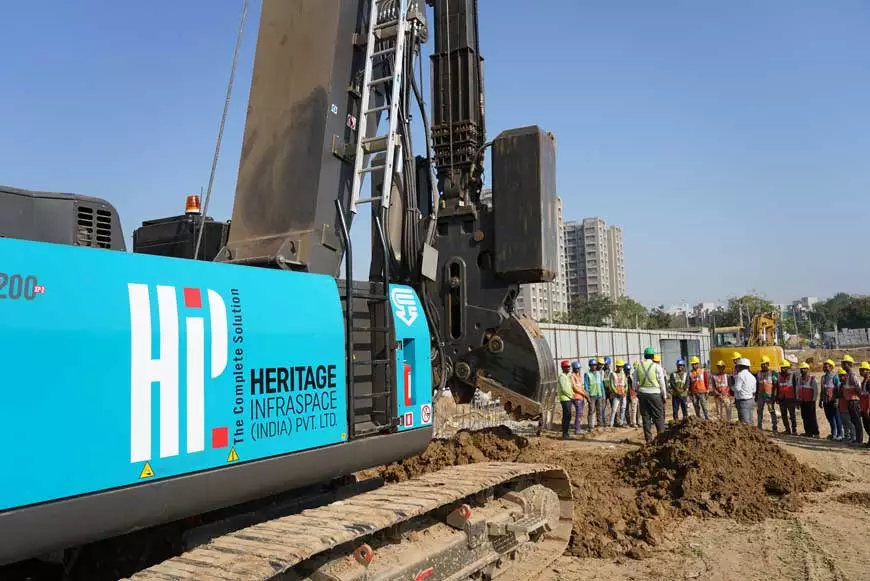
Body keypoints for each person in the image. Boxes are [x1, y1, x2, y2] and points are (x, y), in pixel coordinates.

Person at [632, 346, 668, 443]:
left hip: (642, 394)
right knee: (658, 416)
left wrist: (636, 389)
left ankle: (649, 440)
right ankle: (661, 439)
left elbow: (634, 381)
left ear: (644, 356)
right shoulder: (657, 367)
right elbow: (662, 383)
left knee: (646, 417)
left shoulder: (639, 366)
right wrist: (664, 395)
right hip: (655, 394)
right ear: (653, 356)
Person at [840, 355, 864, 446]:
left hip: (854, 401)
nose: (842, 365)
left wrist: (859, 400)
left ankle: (859, 440)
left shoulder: (852, 376)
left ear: (849, 364)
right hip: (850, 401)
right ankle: (857, 439)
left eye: (844, 363)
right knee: (854, 420)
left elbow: (858, 388)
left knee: (857, 420)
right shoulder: (847, 376)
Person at [819, 359, 843, 441]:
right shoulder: (823, 378)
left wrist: (837, 400)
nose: (824, 368)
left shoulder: (835, 377)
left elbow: (838, 389)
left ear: (831, 367)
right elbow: (822, 390)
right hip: (826, 401)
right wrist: (820, 400)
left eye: (826, 367)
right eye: (824, 367)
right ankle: (833, 433)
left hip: (833, 401)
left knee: (836, 417)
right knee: (829, 418)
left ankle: (839, 434)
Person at [796, 362, 820, 438]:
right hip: (802, 401)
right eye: (801, 369)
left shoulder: (812, 379)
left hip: (810, 401)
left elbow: (816, 391)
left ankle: (815, 432)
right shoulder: (799, 379)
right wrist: (798, 399)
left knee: (812, 417)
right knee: (804, 417)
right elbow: (797, 389)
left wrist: (813, 400)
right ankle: (808, 432)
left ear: (808, 370)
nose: (802, 370)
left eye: (804, 369)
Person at [756, 355, 779, 432]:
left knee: (771, 411)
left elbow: (775, 385)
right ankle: (759, 426)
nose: (763, 365)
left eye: (765, 364)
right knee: (759, 411)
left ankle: (774, 427)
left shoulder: (772, 373)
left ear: (768, 364)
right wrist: (756, 395)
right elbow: (757, 385)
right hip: (760, 395)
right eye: (762, 364)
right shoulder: (758, 373)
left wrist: (774, 396)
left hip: (769, 396)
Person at [732, 357, 757, 424]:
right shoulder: (752, 376)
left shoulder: (740, 375)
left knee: (744, 422)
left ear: (740, 366)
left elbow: (737, 388)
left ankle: (748, 434)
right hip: (750, 400)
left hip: (742, 401)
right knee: (750, 420)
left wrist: (731, 388)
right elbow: (754, 390)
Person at [776, 360, 798, 435]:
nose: (783, 369)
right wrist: (777, 397)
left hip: (790, 398)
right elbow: (777, 387)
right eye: (782, 368)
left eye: (785, 368)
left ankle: (794, 430)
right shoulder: (778, 375)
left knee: (792, 415)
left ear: (788, 368)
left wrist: (796, 399)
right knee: (784, 415)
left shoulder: (792, 375)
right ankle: (787, 429)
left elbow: (795, 388)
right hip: (782, 398)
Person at [584, 358, 605, 430]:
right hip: (592, 395)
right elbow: (586, 385)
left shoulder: (599, 373)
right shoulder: (587, 374)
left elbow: (601, 384)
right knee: (591, 410)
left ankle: (599, 424)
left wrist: (603, 394)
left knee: (599, 410)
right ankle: (591, 425)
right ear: (590, 366)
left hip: (599, 394)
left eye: (595, 365)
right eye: (592, 365)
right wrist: (587, 396)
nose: (594, 367)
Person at [836, 366, 855, 443]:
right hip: (841, 407)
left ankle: (853, 437)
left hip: (848, 407)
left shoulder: (849, 385)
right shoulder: (840, 385)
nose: (841, 377)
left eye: (842, 375)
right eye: (839, 376)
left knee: (850, 423)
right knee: (844, 423)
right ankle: (846, 436)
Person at [570, 361, 589, 435]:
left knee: (580, 413)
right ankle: (577, 429)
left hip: (581, 397)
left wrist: (585, 394)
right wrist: (584, 394)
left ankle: (578, 427)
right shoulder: (572, 376)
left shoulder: (578, 376)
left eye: (578, 368)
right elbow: (574, 388)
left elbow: (581, 387)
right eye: (577, 368)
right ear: (574, 368)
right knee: (578, 413)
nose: (578, 370)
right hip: (576, 397)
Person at [558, 360, 575, 439]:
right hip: (565, 398)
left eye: (569, 367)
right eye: (566, 367)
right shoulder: (562, 376)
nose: (568, 368)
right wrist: (571, 396)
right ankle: (565, 433)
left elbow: (569, 387)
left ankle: (566, 432)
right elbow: (564, 389)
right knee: (566, 416)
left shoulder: (567, 376)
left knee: (568, 416)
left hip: (568, 398)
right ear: (562, 368)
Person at [608, 361, 628, 427]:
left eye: (621, 366)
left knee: (623, 408)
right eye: (619, 366)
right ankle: (611, 423)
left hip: (623, 394)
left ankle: (621, 422)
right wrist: (616, 392)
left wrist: (625, 390)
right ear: (616, 366)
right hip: (616, 394)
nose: (620, 368)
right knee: (614, 409)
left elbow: (626, 384)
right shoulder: (612, 374)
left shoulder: (623, 374)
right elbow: (611, 385)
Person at [624, 361, 638, 427]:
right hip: (625, 395)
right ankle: (628, 422)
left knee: (634, 409)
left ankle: (634, 422)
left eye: (629, 370)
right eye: (626, 370)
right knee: (626, 409)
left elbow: (634, 384)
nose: (628, 371)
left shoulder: (632, 376)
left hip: (633, 394)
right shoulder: (623, 377)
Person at [859, 362, 870, 448]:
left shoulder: (869, 382)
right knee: (866, 425)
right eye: (860, 370)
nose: (861, 371)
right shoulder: (864, 381)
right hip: (863, 407)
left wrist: (868, 409)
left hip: (867, 407)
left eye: (863, 370)